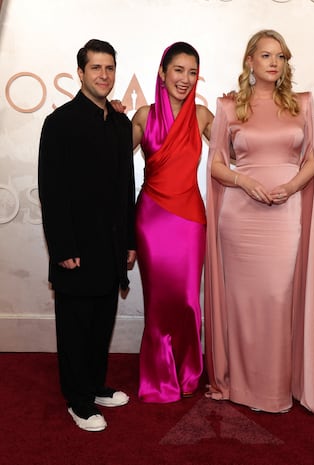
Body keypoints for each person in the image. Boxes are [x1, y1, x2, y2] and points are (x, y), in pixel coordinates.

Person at [204, 30, 314, 417]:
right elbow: (217, 165)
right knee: (243, 304)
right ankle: (239, 385)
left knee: (278, 298)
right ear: (250, 62)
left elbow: (311, 159)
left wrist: (291, 187)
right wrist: (245, 181)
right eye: (265, 56)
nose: (274, 63)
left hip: (285, 214)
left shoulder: (302, 103)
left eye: (281, 57)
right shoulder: (228, 107)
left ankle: (278, 388)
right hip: (241, 218)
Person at [38, 39, 136, 431]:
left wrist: (129, 240)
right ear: (80, 73)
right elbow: (51, 189)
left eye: (109, 68)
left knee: (101, 322)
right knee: (75, 325)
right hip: (75, 247)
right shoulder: (59, 123)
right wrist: (62, 247)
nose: (103, 75)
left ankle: (94, 386)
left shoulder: (120, 123)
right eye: (96, 68)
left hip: (110, 245)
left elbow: (126, 186)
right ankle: (77, 401)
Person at [131, 42, 213, 402]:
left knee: (187, 302)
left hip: (191, 221)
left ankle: (188, 374)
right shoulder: (143, 116)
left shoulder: (203, 116)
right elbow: (110, 160)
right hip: (151, 221)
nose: (185, 78)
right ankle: (159, 378)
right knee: (159, 302)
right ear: (162, 74)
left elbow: (241, 150)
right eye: (178, 70)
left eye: (192, 72)